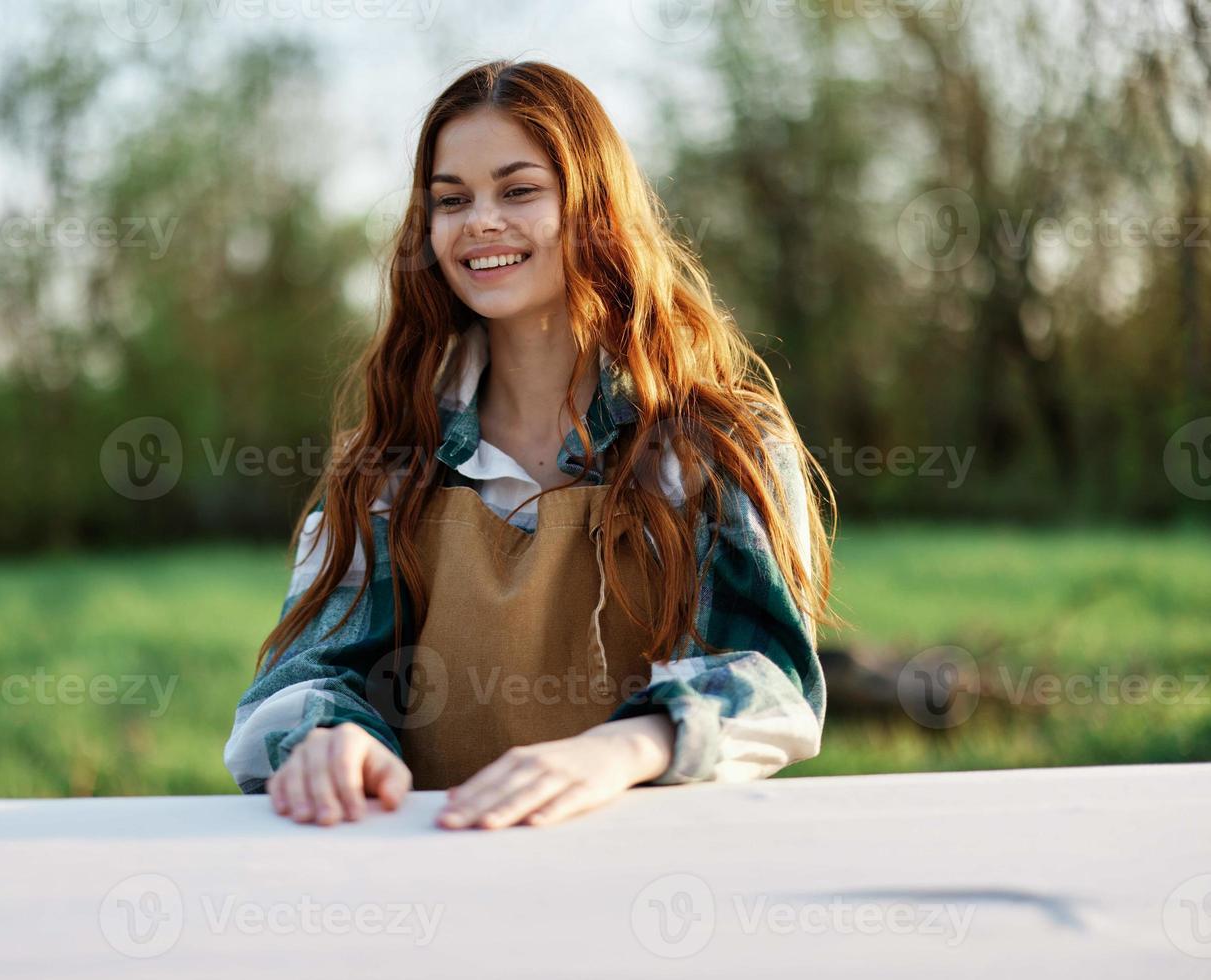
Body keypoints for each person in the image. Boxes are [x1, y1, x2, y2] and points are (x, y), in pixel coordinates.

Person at [224, 59, 836, 830]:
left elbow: (770, 677)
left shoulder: (714, 447)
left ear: (594, 210)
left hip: (665, 871)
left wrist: (621, 749)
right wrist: (327, 739)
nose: (481, 221)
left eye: (518, 191)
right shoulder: (386, 465)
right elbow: (303, 674)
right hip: (430, 877)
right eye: (453, 200)